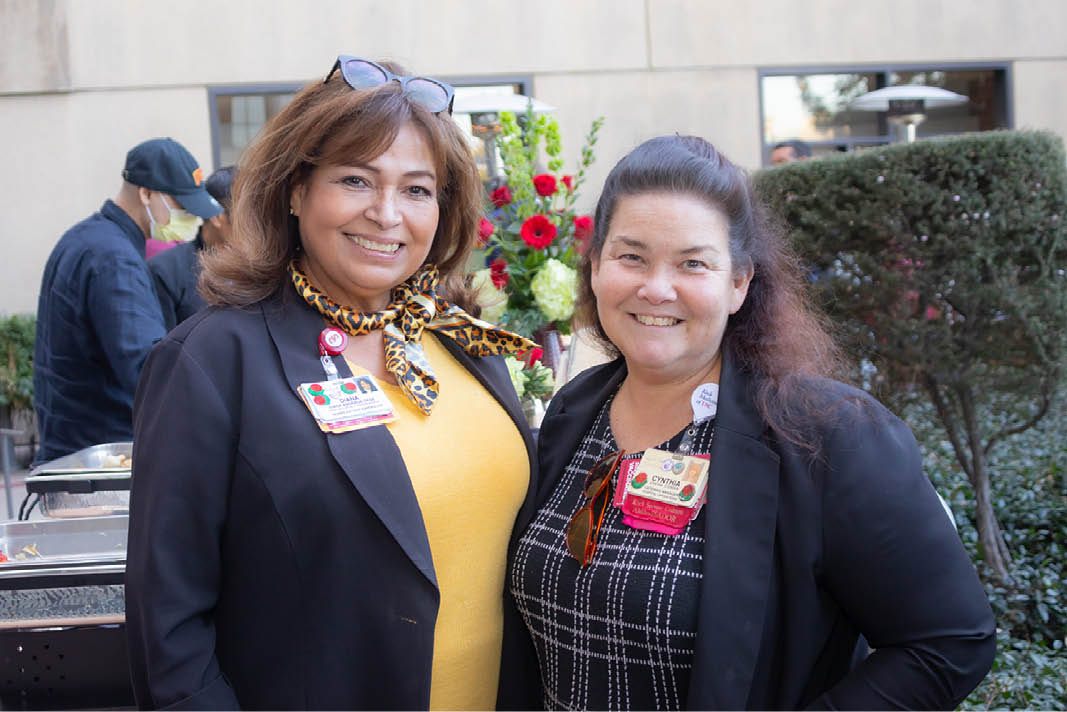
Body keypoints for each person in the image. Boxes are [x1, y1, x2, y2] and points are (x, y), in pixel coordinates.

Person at [503, 135, 996, 710]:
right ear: (595, 267)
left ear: (739, 283)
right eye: (631, 256)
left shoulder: (826, 436)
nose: (656, 288)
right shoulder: (573, 412)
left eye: (693, 263)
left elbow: (946, 643)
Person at [126, 56, 539, 710]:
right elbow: (168, 629)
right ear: (295, 189)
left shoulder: (464, 341)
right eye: (355, 179)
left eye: (416, 189)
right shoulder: (211, 361)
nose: (386, 213)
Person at [33, 137, 223, 463]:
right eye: (181, 207)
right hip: (100, 451)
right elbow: (148, 367)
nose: (190, 219)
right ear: (146, 193)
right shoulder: (115, 260)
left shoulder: (84, 237)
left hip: (69, 441)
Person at [148, 165, 236, 331]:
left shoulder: (262, 269)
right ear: (217, 217)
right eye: (248, 216)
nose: (258, 225)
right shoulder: (166, 271)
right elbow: (160, 349)